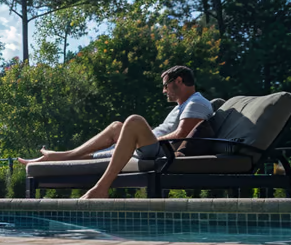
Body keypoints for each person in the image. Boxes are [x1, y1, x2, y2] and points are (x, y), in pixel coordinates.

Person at [17, 65, 214, 199]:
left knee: (134, 121)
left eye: (165, 85)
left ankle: (102, 187)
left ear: (178, 81)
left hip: (162, 150)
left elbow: (181, 135)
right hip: (151, 146)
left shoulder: (196, 102)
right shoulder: (182, 105)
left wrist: (144, 139)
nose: (164, 91)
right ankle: (58, 156)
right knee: (116, 127)